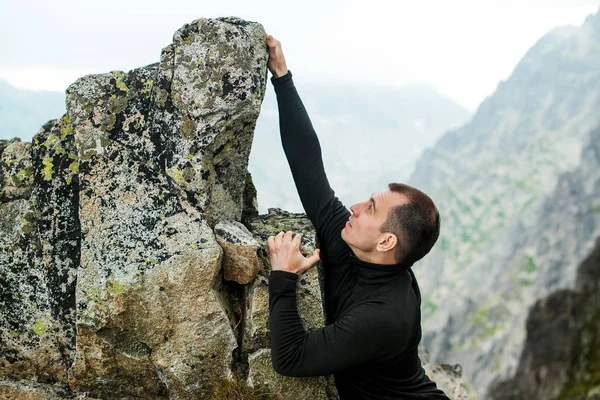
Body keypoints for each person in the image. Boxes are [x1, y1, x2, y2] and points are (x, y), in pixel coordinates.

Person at [264, 33, 451, 400]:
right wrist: (282, 78)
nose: (354, 207)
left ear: (386, 241)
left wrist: (283, 277)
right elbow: (309, 170)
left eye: (370, 208)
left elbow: (291, 357)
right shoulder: (353, 240)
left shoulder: (384, 315)